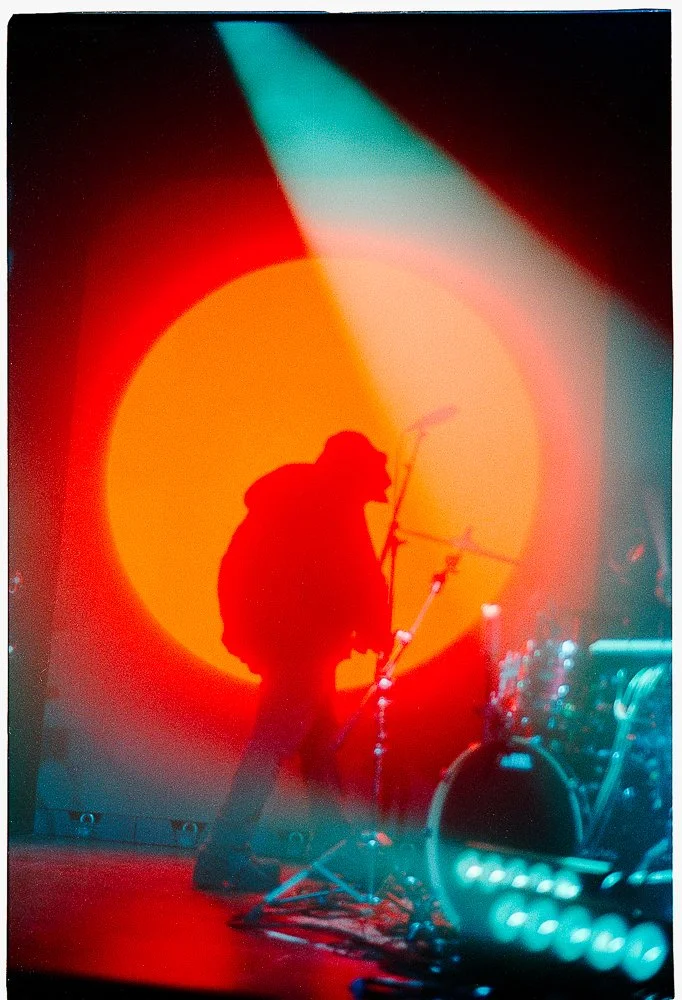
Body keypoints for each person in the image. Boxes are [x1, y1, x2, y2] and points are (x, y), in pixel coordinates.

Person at [194, 431, 393, 891]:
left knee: (317, 745)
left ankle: (331, 847)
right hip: (299, 644)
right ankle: (222, 852)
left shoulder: (297, 496)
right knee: (273, 740)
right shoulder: (328, 505)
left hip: (285, 639)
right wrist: (372, 629)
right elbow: (354, 574)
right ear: (353, 472)